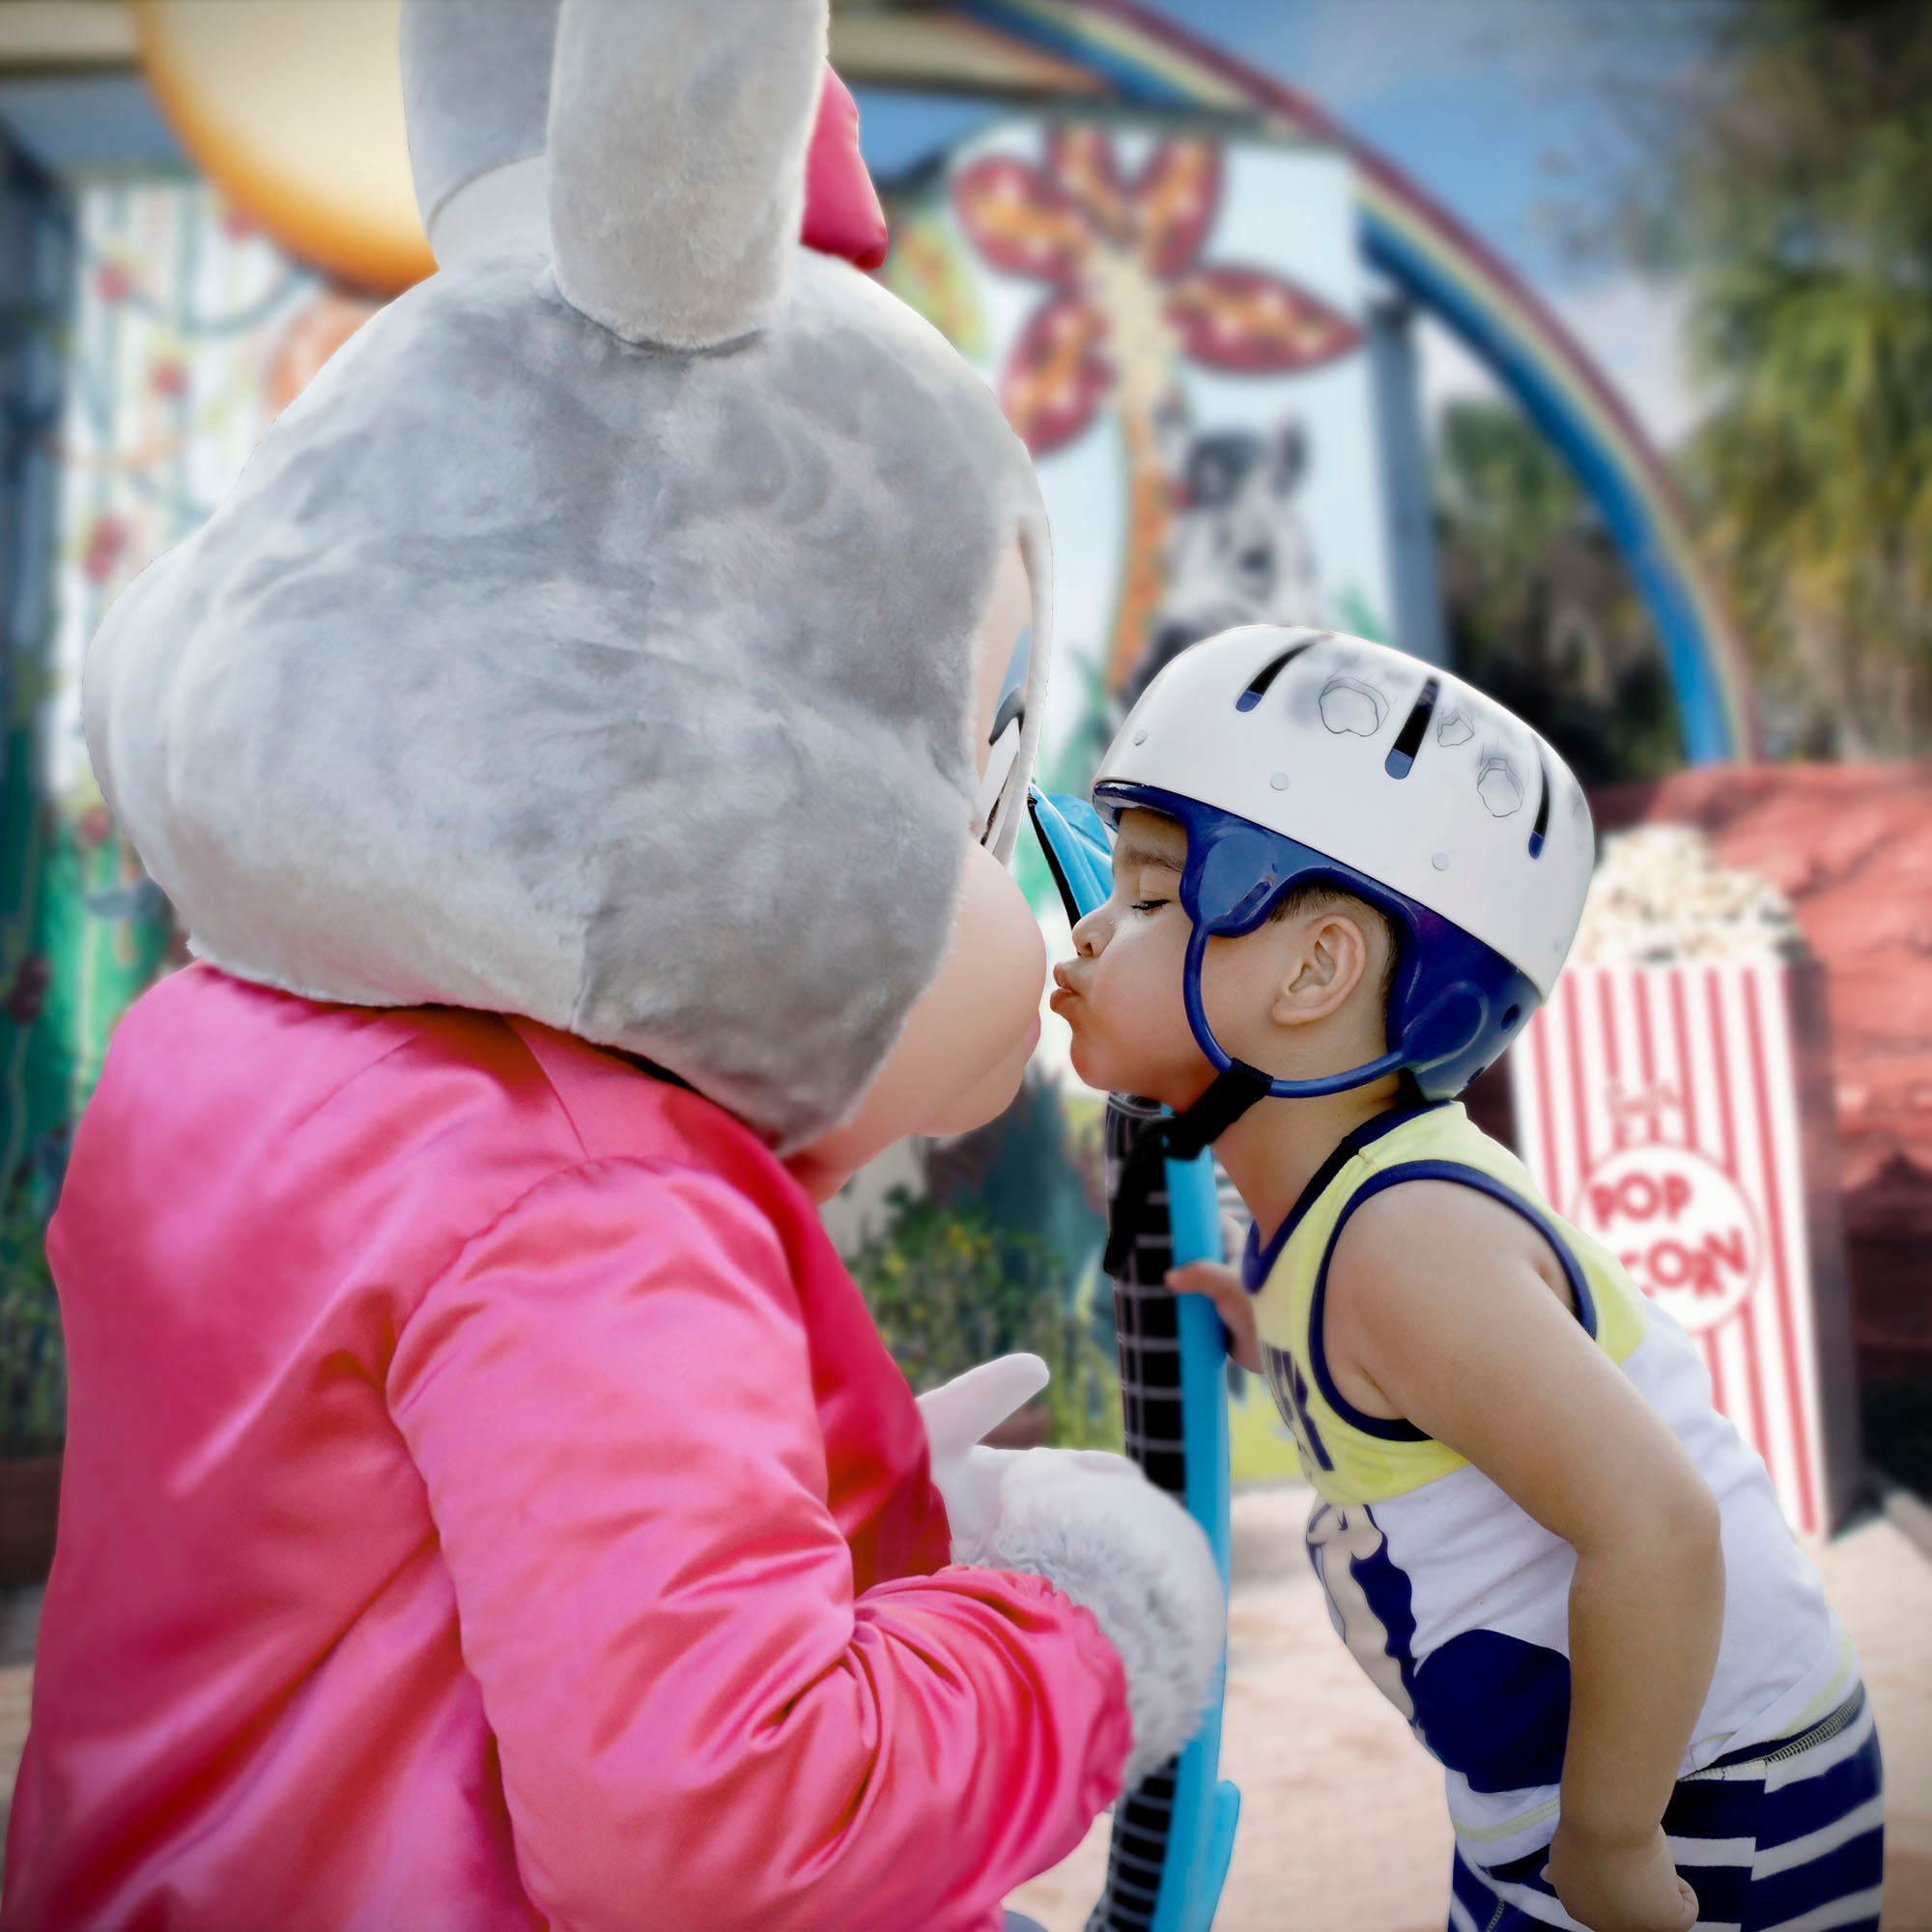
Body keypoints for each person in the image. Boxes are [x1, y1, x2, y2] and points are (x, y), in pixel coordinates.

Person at [2, 6, 1227, 1929]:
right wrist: (1060, 1635)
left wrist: (848, 1516)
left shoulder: (218, 1043)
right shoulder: (587, 1202)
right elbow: (721, 1835)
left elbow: (391, 1569)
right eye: (967, 751)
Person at [1049, 625, 1883, 1932]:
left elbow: (1658, 1524)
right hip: (1553, 1787)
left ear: (1320, 970)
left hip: (1691, 1795)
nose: (1092, 931)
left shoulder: (1404, 1245)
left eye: (1151, 896)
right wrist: (1256, 1321)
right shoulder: (1332, 1220)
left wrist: (1607, 1841)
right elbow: (1414, 1411)